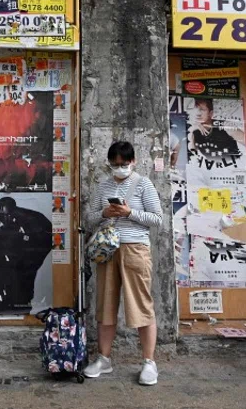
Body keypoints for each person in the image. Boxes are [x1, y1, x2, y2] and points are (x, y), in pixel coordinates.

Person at [84, 141, 164, 386]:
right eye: (115, 164)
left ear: (133, 162)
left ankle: (149, 362)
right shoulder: (103, 185)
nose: (119, 168)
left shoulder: (144, 183)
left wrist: (130, 213)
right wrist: (104, 214)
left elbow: (157, 219)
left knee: (141, 304)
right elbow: (89, 218)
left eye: (124, 164)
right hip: (108, 249)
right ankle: (104, 358)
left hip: (135, 249)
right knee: (105, 306)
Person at [0, 196, 52, 315]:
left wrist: (30, 264)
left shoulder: (26, 223)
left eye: (9, 215)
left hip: (20, 284)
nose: (6, 218)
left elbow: (47, 237)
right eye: (2, 215)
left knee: (20, 311)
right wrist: (1, 260)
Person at [188, 98, 241, 166]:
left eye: (202, 110)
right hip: (209, 172)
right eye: (195, 109)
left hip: (232, 170)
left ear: (210, 113)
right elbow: (193, 155)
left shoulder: (224, 126)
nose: (198, 113)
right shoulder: (194, 131)